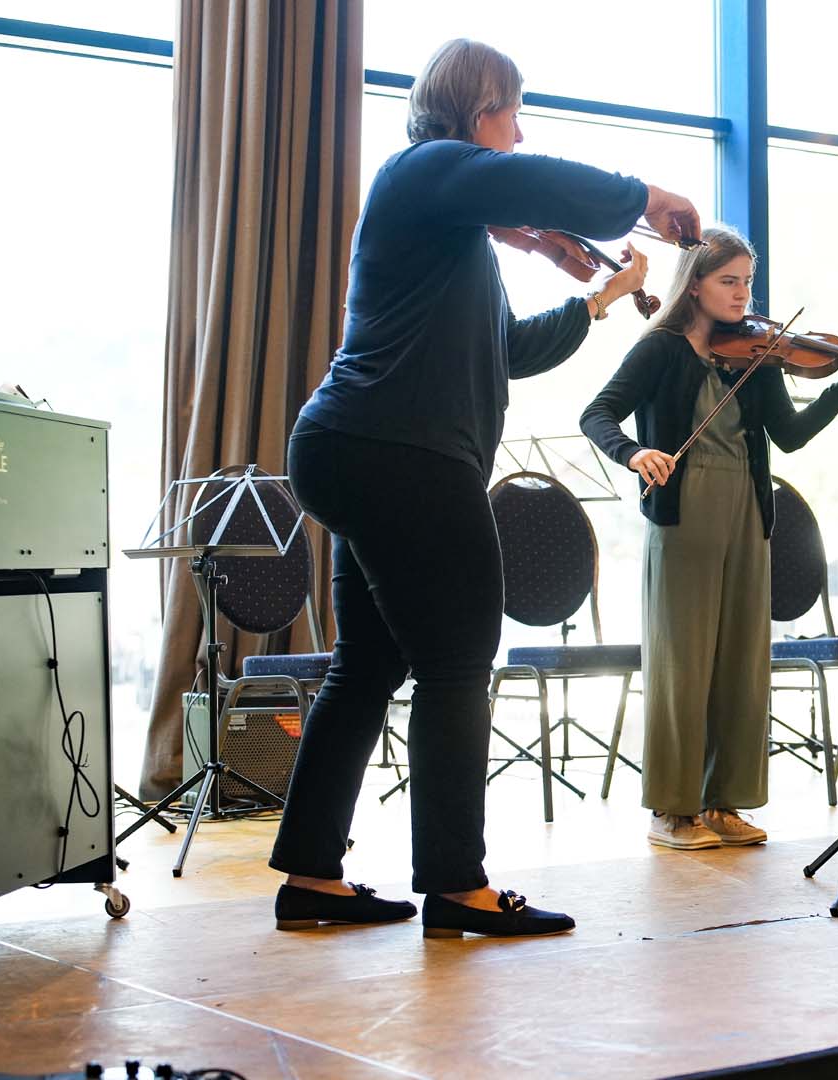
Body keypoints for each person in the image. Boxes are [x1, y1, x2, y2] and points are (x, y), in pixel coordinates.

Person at [267, 39, 700, 939]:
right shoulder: (423, 168)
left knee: (369, 664)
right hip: (402, 454)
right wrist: (645, 198)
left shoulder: (452, 231)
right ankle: (457, 888)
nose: (519, 132)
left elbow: (505, 351)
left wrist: (598, 300)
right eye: (511, 113)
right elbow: (533, 178)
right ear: (475, 109)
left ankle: (311, 876)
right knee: (459, 662)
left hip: (358, 449)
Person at [579, 226, 838, 850]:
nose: (743, 293)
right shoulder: (660, 348)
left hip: (748, 508)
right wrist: (634, 453)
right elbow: (597, 413)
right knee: (682, 662)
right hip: (683, 511)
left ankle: (724, 802)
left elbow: (789, 436)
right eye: (729, 281)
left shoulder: (757, 355)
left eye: (748, 281)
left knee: (743, 661)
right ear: (694, 285)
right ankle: (672, 811)